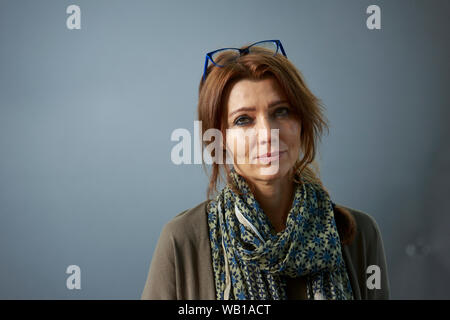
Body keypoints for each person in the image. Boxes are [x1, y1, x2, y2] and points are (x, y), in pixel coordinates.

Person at [141, 40, 390, 300]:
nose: (267, 134)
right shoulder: (182, 240)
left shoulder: (359, 234)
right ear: (219, 138)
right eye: (243, 120)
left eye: (281, 111)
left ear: (302, 123)